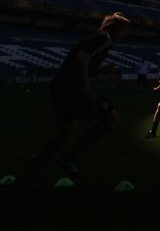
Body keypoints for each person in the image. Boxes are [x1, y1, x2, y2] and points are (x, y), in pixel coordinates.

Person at [21, 12, 130, 181]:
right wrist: (87, 86)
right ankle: (69, 158)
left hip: (61, 88)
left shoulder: (97, 39)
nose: (123, 35)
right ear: (114, 29)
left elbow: (81, 63)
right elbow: (82, 57)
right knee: (113, 119)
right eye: (123, 31)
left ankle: (32, 167)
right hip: (73, 89)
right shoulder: (103, 39)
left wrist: (102, 71)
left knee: (67, 134)